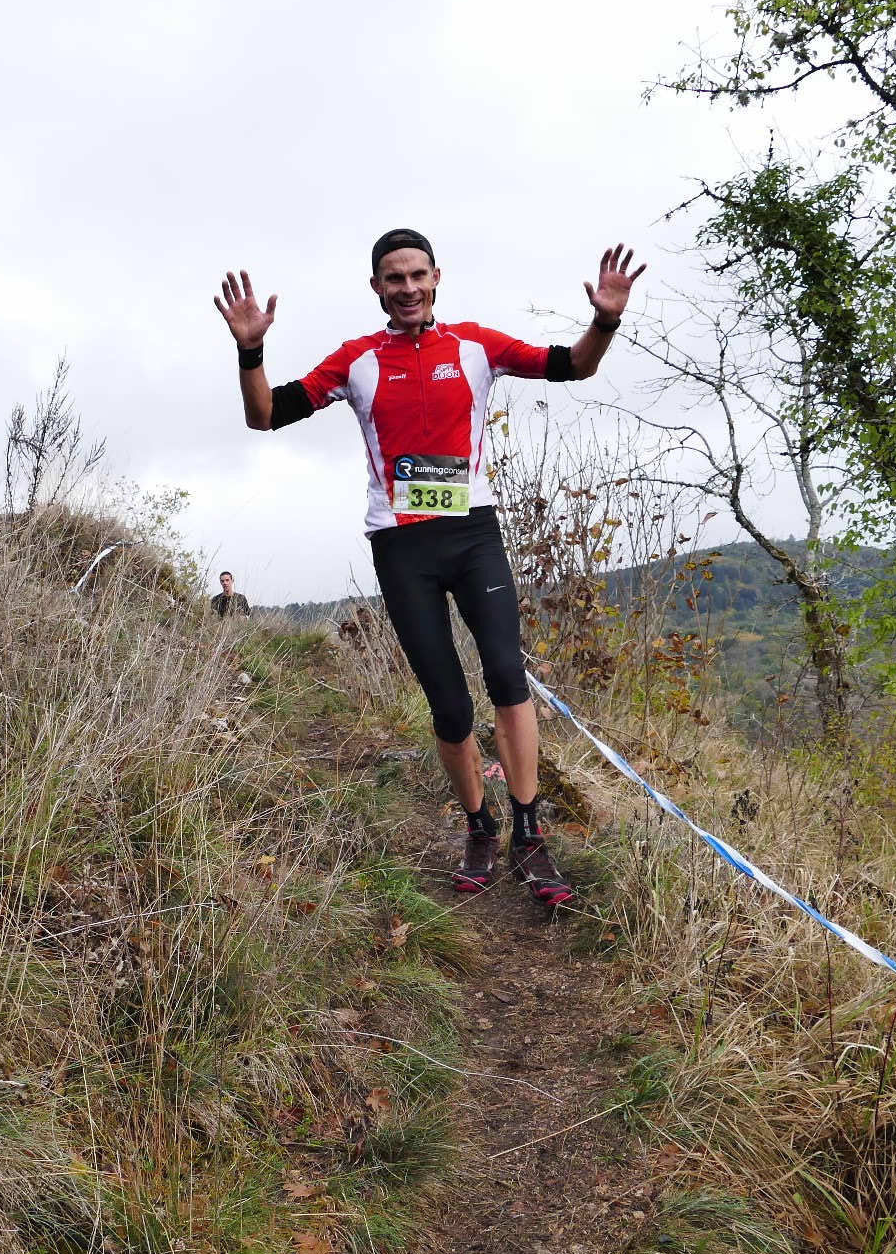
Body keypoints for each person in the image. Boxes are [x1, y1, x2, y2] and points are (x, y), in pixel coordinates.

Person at [214, 228, 644, 906]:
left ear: (437, 277)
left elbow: (574, 366)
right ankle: (479, 825)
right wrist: (251, 351)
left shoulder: (476, 345)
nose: (407, 287)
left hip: (473, 537)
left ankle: (529, 833)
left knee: (506, 675)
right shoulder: (357, 360)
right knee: (449, 704)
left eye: (417, 275)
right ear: (377, 288)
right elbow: (265, 416)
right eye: (394, 278)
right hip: (403, 548)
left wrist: (605, 321)